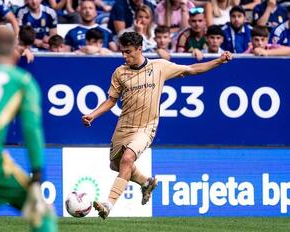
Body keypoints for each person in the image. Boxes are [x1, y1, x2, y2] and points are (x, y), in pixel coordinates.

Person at [81, 31, 232, 219]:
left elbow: (191, 69)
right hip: (123, 127)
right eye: (122, 52)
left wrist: (218, 61)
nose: (124, 56)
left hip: (146, 128)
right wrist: (93, 115)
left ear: (139, 48)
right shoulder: (119, 73)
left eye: (128, 52)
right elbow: (111, 101)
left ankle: (108, 205)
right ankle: (146, 183)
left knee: (127, 160)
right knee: (116, 165)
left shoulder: (159, 67)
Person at [0, 26, 57, 231]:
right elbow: (31, 129)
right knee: (42, 214)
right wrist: (37, 175)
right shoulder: (22, 81)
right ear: (14, 52)